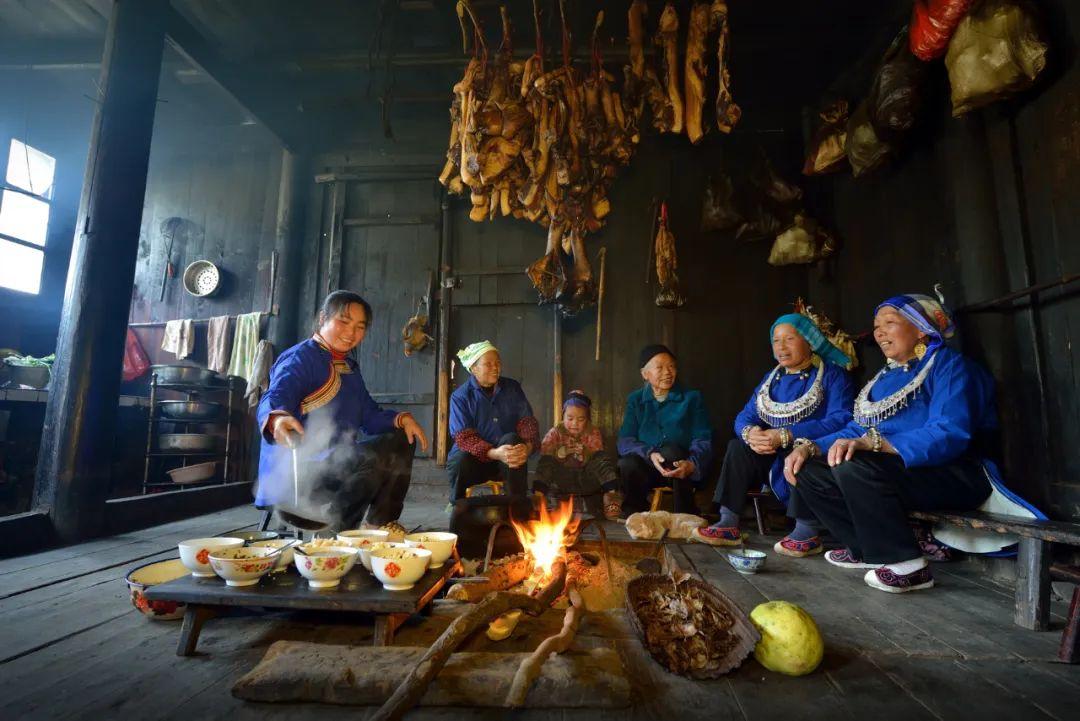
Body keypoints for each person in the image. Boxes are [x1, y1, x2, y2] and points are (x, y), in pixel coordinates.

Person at [782, 293, 997, 593]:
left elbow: (950, 432)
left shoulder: (950, 366)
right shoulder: (885, 376)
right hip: (900, 475)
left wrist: (875, 443)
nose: (879, 332)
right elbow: (856, 428)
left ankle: (908, 566)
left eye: (889, 323)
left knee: (855, 466)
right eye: (876, 326)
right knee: (811, 469)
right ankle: (865, 549)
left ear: (921, 328)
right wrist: (809, 447)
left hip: (954, 474)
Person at [255, 290, 428, 530]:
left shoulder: (348, 368)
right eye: (343, 322)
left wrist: (401, 419)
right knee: (368, 460)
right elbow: (274, 396)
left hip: (337, 463)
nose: (351, 333)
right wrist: (277, 419)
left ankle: (378, 526)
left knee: (402, 439)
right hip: (298, 474)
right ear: (322, 318)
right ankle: (339, 532)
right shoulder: (300, 358)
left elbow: (369, 416)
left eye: (360, 327)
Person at [693, 308, 855, 555]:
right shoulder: (772, 378)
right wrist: (750, 433)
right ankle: (728, 520)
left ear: (809, 341)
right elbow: (744, 416)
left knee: (805, 456)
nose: (781, 346)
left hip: (812, 449)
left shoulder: (833, 376)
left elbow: (841, 419)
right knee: (737, 446)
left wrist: (788, 434)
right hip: (771, 452)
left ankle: (807, 529)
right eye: (776, 340)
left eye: (789, 338)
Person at [617, 344, 713, 515]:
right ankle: (635, 514)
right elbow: (625, 441)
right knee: (627, 463)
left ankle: (684, 514)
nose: (668, 372)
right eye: (659, 368)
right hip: (648, 469)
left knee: (671, 451)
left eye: (671, 366)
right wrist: (649, 453)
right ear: (645, 374)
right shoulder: (636, 400)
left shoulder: (691, 398)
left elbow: (703, 438)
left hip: (681, 469)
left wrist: (692, 464)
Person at [447, 341, 539, 500]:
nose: (495, 368)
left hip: (506, 461)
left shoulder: (512, 388)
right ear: (473, 369)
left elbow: (527, 422)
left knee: (512, 440)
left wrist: (527, 448)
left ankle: (517, 506)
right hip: (474, 464)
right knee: (460, 456)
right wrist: (495, 453)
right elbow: (464, 438)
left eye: (497, 363)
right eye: (488, 364)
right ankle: (459, 506)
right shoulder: (460, 397)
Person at [535, 390, 621, 520]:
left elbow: (597, 453)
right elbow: (545, 450)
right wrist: (560, 453)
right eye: (570, 418)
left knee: (600, 457)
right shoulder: (555, 432)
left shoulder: (593, 432)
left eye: (581, 419)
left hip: (586, 479)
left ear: (587, 419)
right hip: (562, 479)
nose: (575, 423)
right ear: (563, 416)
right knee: (546, 460)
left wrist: (584, 454)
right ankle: (538, 498)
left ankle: (611, 497)